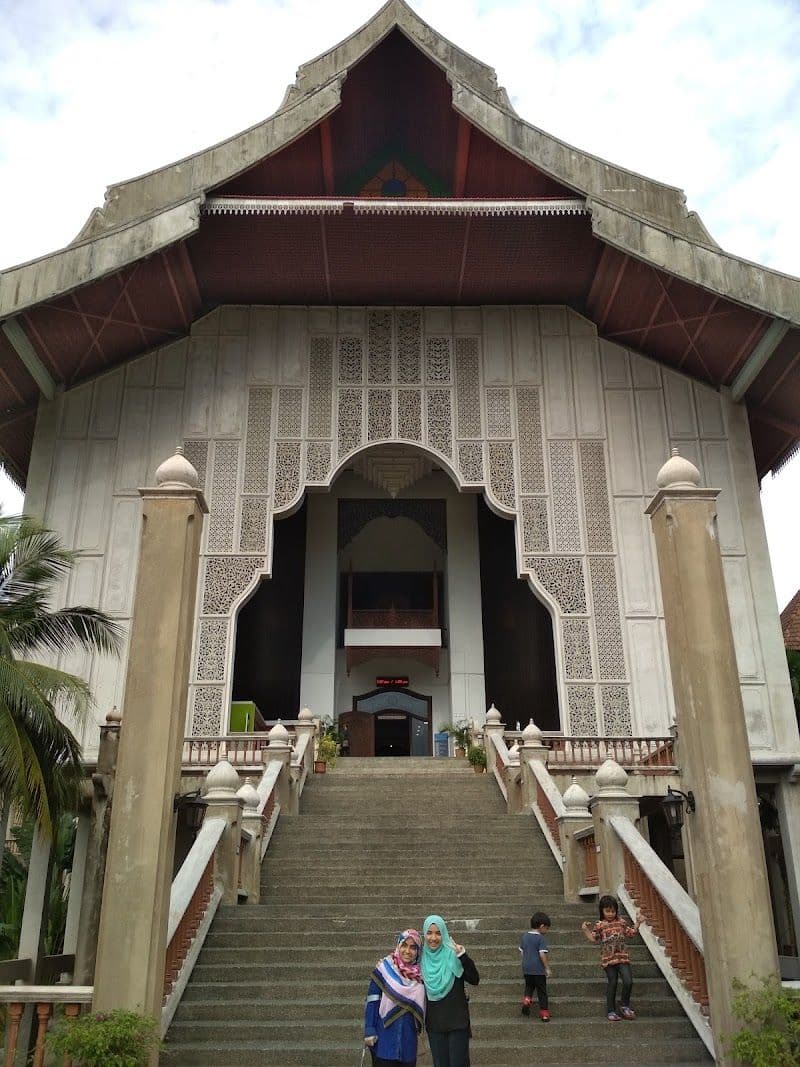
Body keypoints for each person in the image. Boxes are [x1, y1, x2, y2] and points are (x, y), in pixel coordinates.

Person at [420, 914, 479, 1067]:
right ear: (424, 934)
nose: (433, 938)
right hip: (435, 1025)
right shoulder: (420, 960)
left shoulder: (453, 955)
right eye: (429, 933)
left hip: (457, 1023)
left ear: (444, 934)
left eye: (438, 933)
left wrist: (463, 956)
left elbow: (474, 979)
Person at [363, 929, 425, 1065]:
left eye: (413, 947)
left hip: (408, 1040)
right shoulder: (384, 969)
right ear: (398, 945)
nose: (408, 951)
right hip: (384, 1038)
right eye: (404, 945)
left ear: (418, 951)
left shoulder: (421, 976)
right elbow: (373, 1000)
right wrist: (369, 1029)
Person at [581, 895, 642, 1021]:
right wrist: (585, 930)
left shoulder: (621, 922)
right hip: (608, 960)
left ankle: (624, 1005)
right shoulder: (600, 925)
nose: (610, 914)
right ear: (602, 911)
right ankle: (611, 1010)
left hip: (622, 958)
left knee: (628, 981)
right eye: (607, 911)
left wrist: (638, 923)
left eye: (613, 911)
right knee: (612, 982)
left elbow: (631, 933)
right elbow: (593, 938)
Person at [519, 910, 552, 1020]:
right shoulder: (541, 938)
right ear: (542, 926)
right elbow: (542, 954)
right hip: (538, 969)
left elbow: (522, 953)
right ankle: (544, 1013)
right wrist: (547, 968)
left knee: (529, 986)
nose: (547, 931)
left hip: (526, 968)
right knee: (542, 991)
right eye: (547, 928)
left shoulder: (524, 937)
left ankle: (527, 1000)